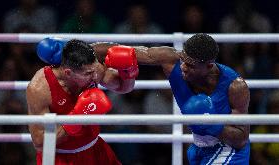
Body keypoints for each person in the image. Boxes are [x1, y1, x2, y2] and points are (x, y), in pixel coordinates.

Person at [134, 33, 250, 164]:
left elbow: (241, 140)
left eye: (190, 65)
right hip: (198, 148)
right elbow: (132, 52)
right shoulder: (172, 61)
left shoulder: (235, 87)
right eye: (183, 60)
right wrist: (116, 56)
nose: (183, 67)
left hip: (228, 150)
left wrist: (211, 123)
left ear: (209, 66)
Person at [27, 38, 139, 165]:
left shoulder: (92, 67)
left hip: (95, 149)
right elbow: (39, 141)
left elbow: (123, 87)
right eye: (88, 74)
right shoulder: (40, 88)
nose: (95, 77)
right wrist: (77, 118)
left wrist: (128, 73)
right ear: (68, 73)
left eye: (95, 70)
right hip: (61, 157)